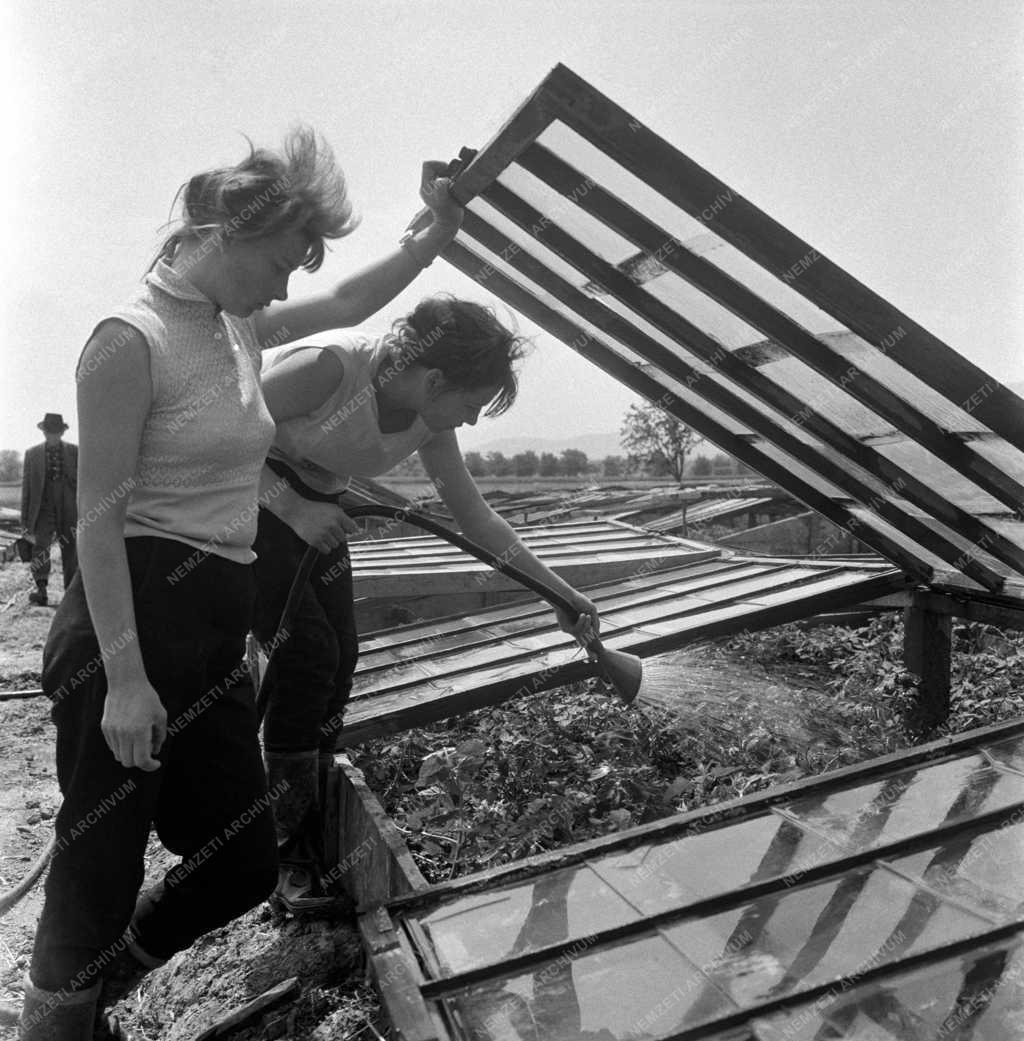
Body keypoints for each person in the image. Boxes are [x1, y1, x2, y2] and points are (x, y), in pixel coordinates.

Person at [21, 126, 463, 1041]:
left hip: (214, 630)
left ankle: (107, 984)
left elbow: (350, 296)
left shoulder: (240, 330)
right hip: (127, 624)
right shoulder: (127, 341)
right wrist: (128, 679)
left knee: (240, 857)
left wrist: (432, 239)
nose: (289, 283)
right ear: (226, 230)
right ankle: (54, 1026)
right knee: (99, 853)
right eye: (282, 257)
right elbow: (96, 525)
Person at [251, 294, 602, 913]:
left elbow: (472, 514)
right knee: (305, 657)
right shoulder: (330, 368)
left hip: (319, 507)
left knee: (339, 660)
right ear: (436, 379)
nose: (467, 422)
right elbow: (218, 433)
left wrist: (560, 593)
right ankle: (282, 859)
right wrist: (293, 508)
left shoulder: (428, 416)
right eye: (470, 404)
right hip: (244, 500)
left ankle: (308, 825)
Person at [21, 413, 78, 606]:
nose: (52, 436)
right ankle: (41, 589)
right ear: (44, 432)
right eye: (49, 432)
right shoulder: (32, 454)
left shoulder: (75, 452)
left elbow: (84, 483)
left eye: (55, 432)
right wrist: (26, 523)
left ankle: (71, 593)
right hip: (43, 507)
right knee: (40, 547)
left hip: (69, 506)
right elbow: (27, 489)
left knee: (71, 548)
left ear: (62, 432)